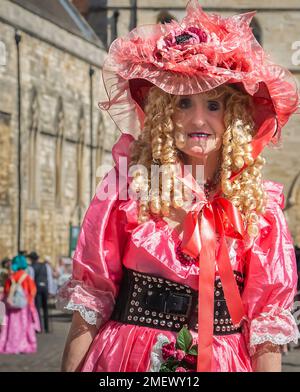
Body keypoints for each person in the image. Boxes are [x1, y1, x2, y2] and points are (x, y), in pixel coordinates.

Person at [59, 1, 300, 372]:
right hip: (126, 362)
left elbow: (266, 331)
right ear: (162, 112)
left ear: (234, 115)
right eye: (183, 102)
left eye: (214, 104)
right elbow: (91, 303)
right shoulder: (127, 189)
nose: (198, 118)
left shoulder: (258, 207)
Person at [0, 255, 40, 353]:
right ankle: (23, 345)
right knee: (23, 326)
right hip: (23, 308)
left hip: (11, 308)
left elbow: (6, 291)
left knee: (12, 327)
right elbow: (33, 291)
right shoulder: (27, 277)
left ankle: (12, 345)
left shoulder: (11, 278)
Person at [27, 251, 49, 333]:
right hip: (45, 287)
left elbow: (31, 279)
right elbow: (48, 277)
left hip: (37, 288)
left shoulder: (31, 267)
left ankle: (39, 327)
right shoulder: (45, 266)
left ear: (31, 259)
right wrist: (50, 289)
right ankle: (47, 327)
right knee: (45, 308)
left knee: (38, 308)